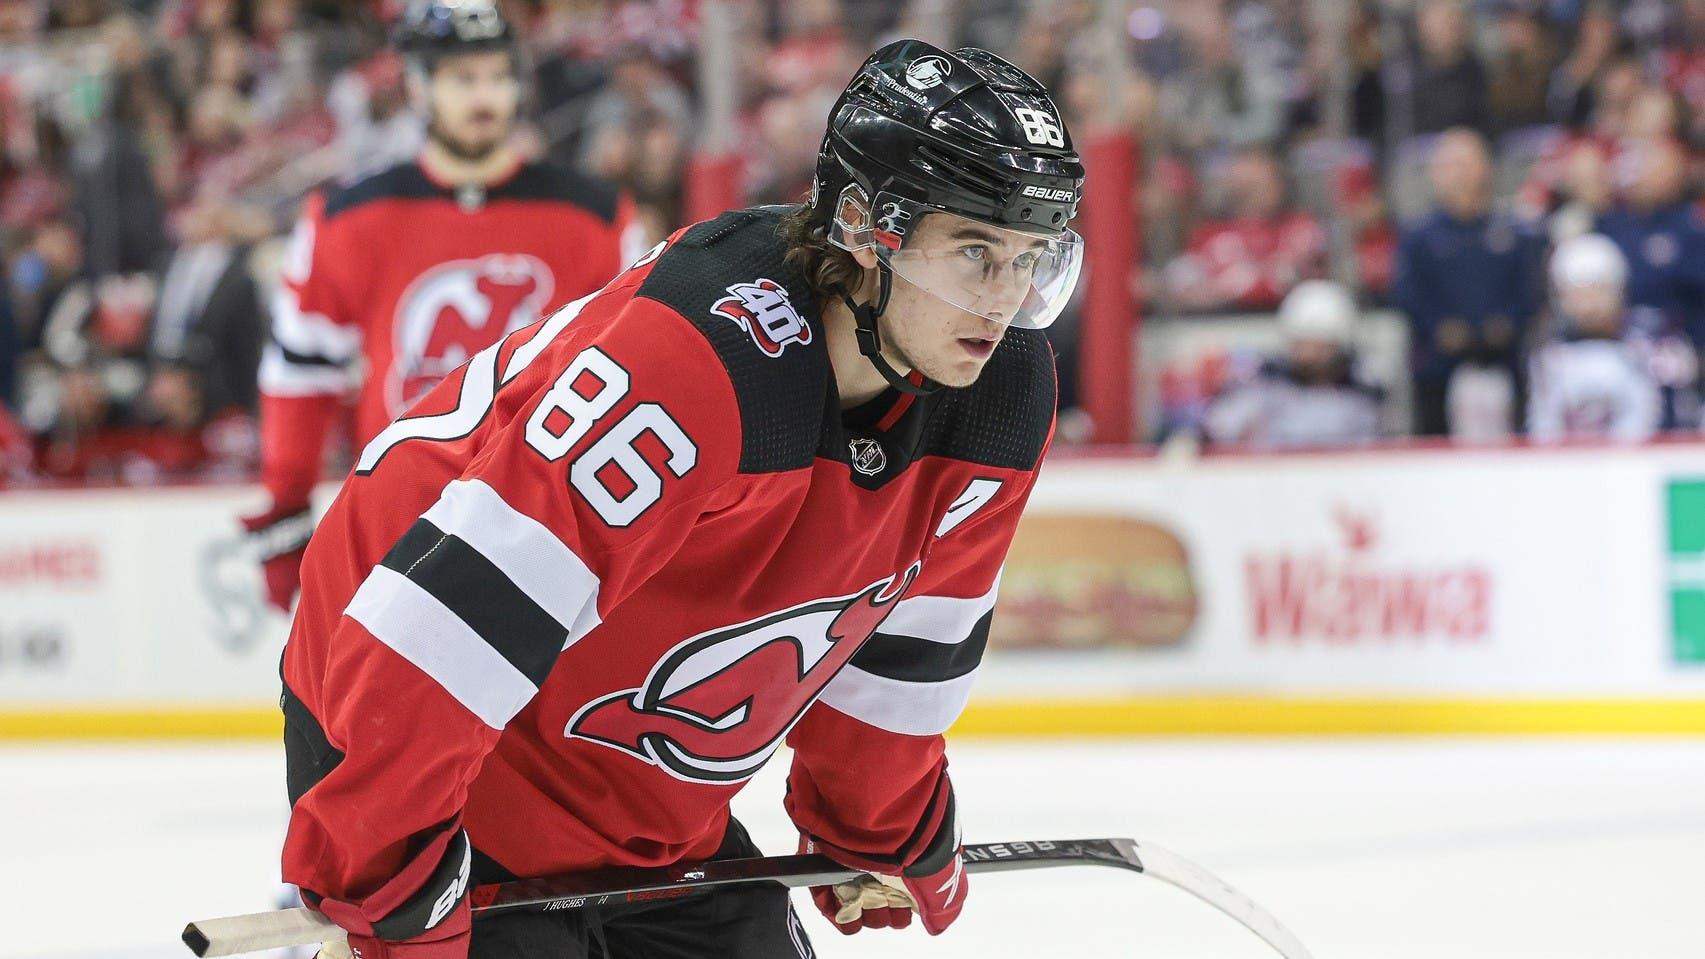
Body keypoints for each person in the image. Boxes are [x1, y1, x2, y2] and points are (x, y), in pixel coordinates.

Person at [278, 38, 1082, 959]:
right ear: (865, 225)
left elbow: (905, 644)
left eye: (1031, 260)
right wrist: (387, 873)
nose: (1003, 299)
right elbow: (451, 622)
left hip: (633, 783)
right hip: (410, 705)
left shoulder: (1002, 395)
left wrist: (879, 826)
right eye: (975, 252)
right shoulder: (704, 358)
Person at [242, 0, 643, 613]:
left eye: (497, 76)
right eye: (462, 79)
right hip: (398, 519)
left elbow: (636, 379)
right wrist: (287, 503)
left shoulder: (597, 219)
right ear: (417, 87)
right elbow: (303, 372)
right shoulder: (347, 216)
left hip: (549, 528)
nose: (484, 97)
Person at [1392, 128, 1542, 436]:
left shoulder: (1514, 234)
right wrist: (1439, 327)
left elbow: (1530, 289)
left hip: (1505, 362)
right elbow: (1407, 295)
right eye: (1448, 165)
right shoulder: (1418, 238)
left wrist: (1507, 324)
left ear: (1486, 168)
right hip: (1438, 369)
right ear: (1434, 174)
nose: (1457, 175)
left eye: (1464, 163)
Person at [1203, 280, 1384, 449]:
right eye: (1302, 344)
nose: (1309, 355)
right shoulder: (1264, 389)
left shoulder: (1360, 398)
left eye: (1320, 346)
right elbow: (1219, 428)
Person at [1527, 233, 1660, 442]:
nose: (1590, 306)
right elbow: (1543, 426)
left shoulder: (1644, 348)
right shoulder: (1548, 356)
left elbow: (1649, 418)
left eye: (1599, 292)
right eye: (1580, 294)